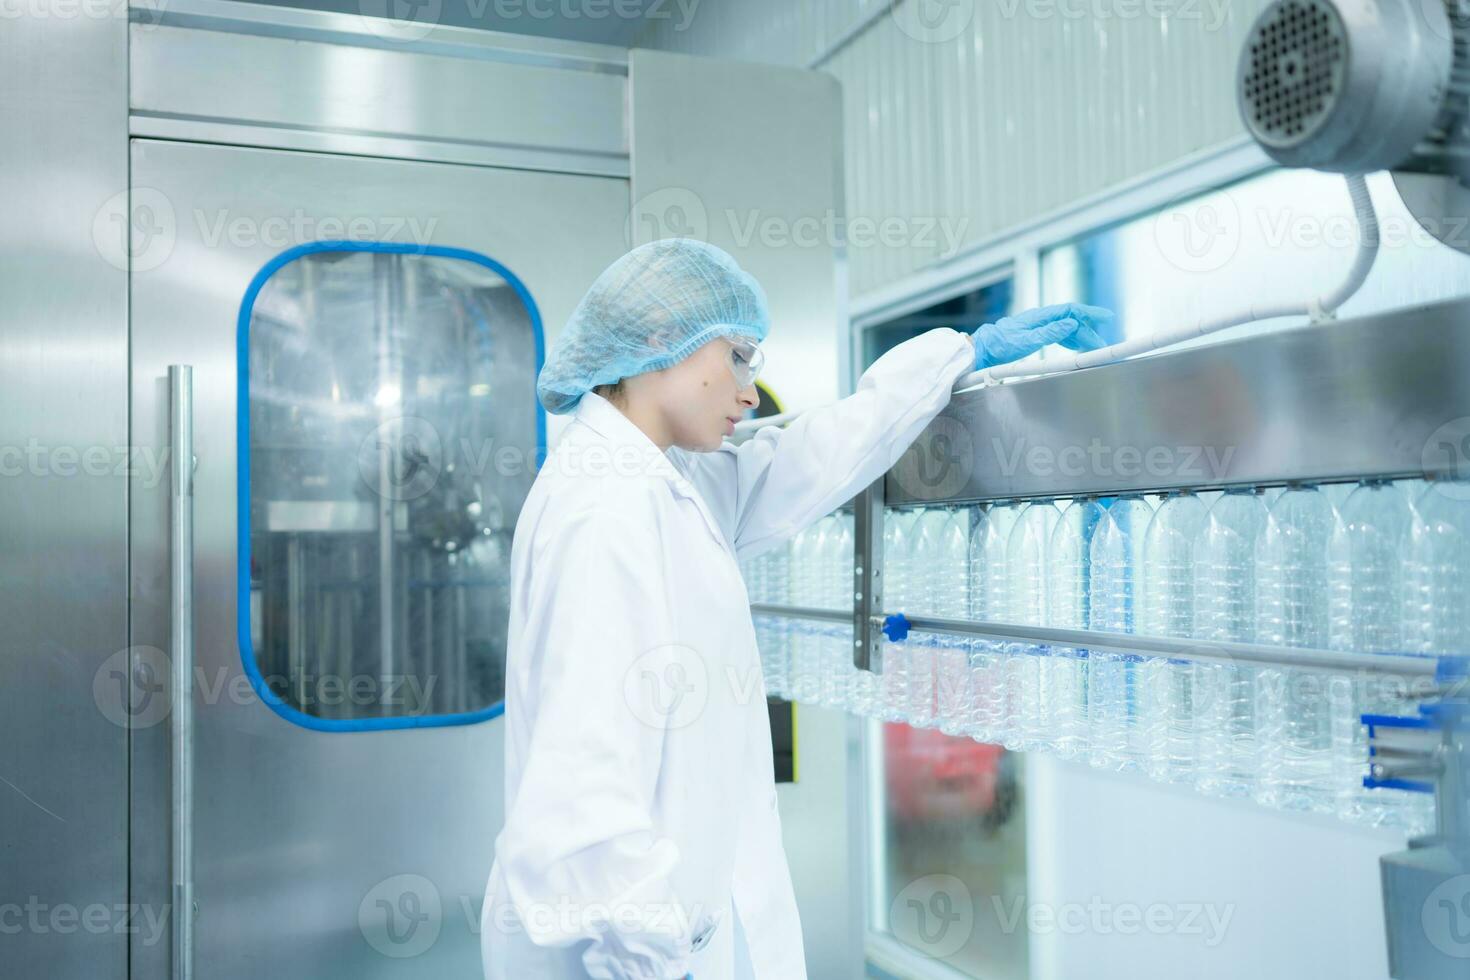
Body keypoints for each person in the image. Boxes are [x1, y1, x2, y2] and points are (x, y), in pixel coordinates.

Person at [480, 239, 1110, 980]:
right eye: (740, 355)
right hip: (626, 956)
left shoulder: (661, 480)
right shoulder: (604, 512)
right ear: (657, 339)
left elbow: (807, 458)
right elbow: (583, 799)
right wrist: (656, 963)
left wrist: (957, 355)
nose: (749, 393)